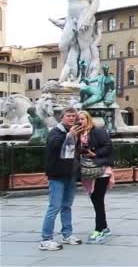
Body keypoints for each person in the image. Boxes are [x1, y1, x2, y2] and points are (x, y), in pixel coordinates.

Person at [39, 107, 83, 251]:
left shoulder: (74, 132)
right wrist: (69, 136)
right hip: (57, 176)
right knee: (54, 207)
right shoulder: (55, 132)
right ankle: (46, 239)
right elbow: (54, 145)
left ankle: (67, 234)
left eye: (73, 116)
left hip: (70, 175)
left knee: (67, 207)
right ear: (62, 117)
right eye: (68, 116)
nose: (71, 118)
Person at [75, 110, 115, 244]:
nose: (80, 121)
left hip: (101, 169)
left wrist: (95, 153)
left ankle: (99, 230)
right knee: (95, 199)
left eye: (83, 119)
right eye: (78, 119)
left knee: (98, 199)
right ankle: (104, 227)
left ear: (88, 119)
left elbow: (108, 146)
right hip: (88, 170)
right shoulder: (78, 134)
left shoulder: (97, 131)